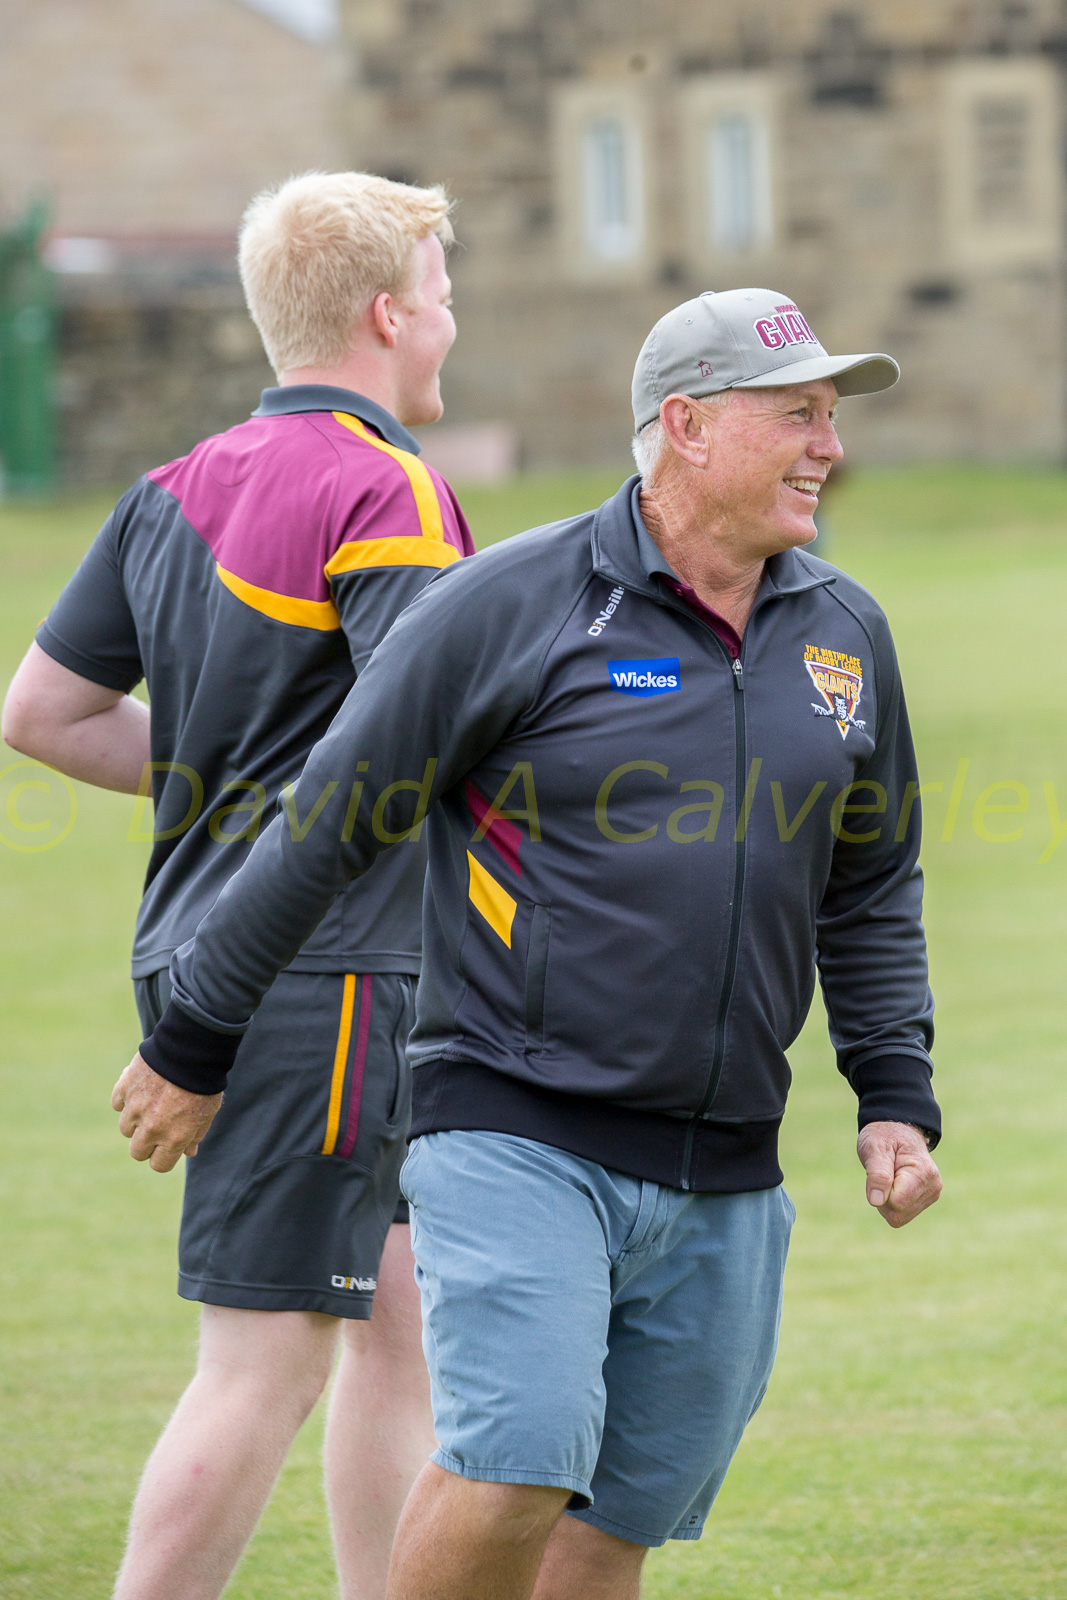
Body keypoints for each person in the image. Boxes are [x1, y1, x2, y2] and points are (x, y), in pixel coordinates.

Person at [106, 287, 943, 1600]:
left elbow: (871, 885)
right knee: (512, 1468)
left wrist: (894, 1092)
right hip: (514, 1124)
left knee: (611, 1531)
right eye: (797, 415)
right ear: (687, 426)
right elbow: (322, 827)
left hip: (728, 1161)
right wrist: (194, 1038)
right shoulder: (507, 604)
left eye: (831, 416)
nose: (829, 446)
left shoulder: (847, 631)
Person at [2, 170, 475, 1600]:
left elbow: (42, 714)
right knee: (263, 1358)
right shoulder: (388, 489)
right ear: (387, 315)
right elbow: (414, 749)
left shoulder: (169, 489)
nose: (451, 321)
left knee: (397, 1323)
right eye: (442, 294)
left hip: (225, 953)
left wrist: (231, 776)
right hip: (321, 974)